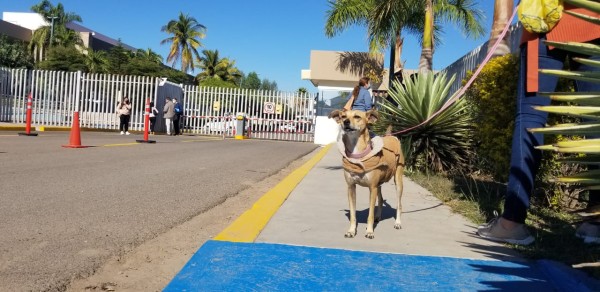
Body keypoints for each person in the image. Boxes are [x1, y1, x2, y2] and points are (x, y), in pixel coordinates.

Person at [477, 3, 600, 245]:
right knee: (595, 122)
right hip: (594, 21)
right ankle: (595, 224)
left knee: (530, 120)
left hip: (544, 21)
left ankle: (511, 222)